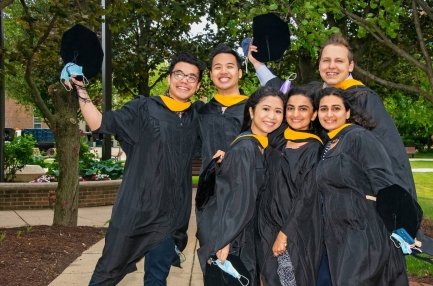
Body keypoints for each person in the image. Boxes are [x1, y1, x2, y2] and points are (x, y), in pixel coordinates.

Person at [71, 52, 205, 285]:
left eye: (192, 77)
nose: (185, 80)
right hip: (136, 212)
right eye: (179, 74)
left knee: (156, 279)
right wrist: (81, 90)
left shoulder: (197, 117)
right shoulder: (144, 108)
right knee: (107, 273)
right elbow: (99, 123)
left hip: (170, 218)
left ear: (198, 85)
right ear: (169, 78)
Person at [248, 34, 417, 199]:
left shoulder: (363, 98)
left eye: (339, 61)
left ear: (350, 66)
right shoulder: (313, 92)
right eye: (326, 60)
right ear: (319, 64)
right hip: (315, 193)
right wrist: (258, 64)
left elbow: (389, 149)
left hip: (353, 196)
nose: (331, 66)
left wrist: (399, 201)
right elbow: (282, 95)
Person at [314, 87, 408, 285]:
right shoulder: (331, 142)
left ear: (347, 112)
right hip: (339, 233)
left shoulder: (359, 137)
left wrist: (399, 227)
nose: (329, 114)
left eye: (336, 108)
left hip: (362, 232)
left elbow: (384, 182)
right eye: (323, 109)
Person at [197, 86, 285, 286]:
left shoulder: (262, 146)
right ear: (252, 111)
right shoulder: (245, 148)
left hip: (250, 235)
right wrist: (226, 241)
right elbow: (237, 199)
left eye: (278, 111)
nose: (272, 116)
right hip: (237, 239)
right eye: (266, 109)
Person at [257, 85, 323, 285]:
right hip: (267, 225)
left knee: (290, 280)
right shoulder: (277, 141)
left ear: (314, 115)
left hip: (294, 231)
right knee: (268, 279)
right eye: (290, 108)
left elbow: (307, 197)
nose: (295, 114)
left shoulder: (315, 149)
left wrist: (285, 234)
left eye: (303, 109)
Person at [198, 44, 248, 170]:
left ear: (240, 73)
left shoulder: (253, 110)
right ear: (211, 75)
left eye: (230, 67)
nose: (223, 72)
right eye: (217, 67)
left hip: (245, 184)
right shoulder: (202, 112)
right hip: (209, 186)